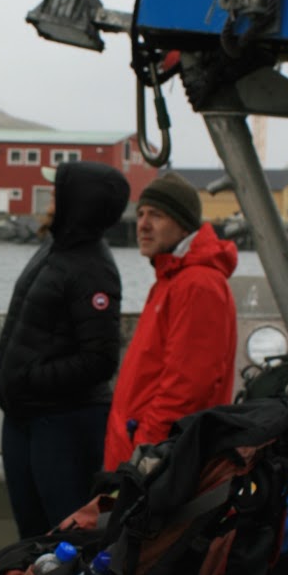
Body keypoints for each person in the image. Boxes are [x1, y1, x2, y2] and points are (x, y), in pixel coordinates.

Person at [0, 159, 129, 538]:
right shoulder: (56, 249)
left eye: (56, 192)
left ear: (77, 202)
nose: (49, 199)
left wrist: (29, 379)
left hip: (63, 426)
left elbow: (100, 359)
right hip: (25, 419)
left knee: (65, 539)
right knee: (33, 538)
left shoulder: (93, 269)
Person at [103, 171, 238, 471]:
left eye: (156, 215)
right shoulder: (170, 279)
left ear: (183, 223)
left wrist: (146, 449)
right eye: (140, 214)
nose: (143, 224)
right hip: (138, 451)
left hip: (156, 460)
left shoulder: (197, 284)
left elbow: (187, 387)